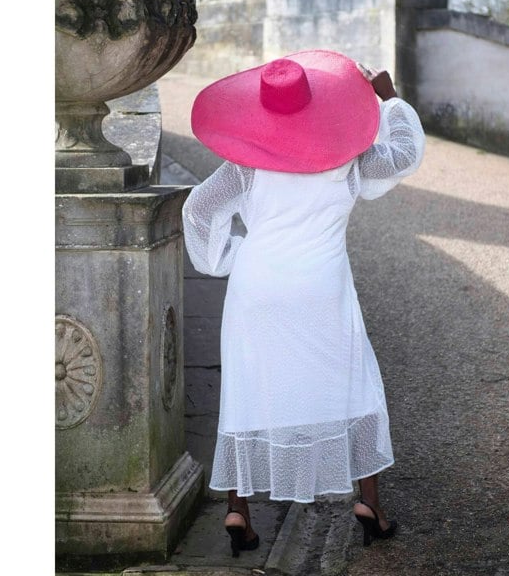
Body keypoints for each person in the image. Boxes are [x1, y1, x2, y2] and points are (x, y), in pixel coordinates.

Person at [182, 49, 425, 556]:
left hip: (258, 285)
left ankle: (238, 511)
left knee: (249, 387)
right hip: (322, 285)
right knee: (351, 383)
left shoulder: (245, 165)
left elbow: (199, 208)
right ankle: (370, 504)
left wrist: (229, 257)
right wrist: (390, 98)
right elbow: (403, 155)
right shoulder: (347, 156)